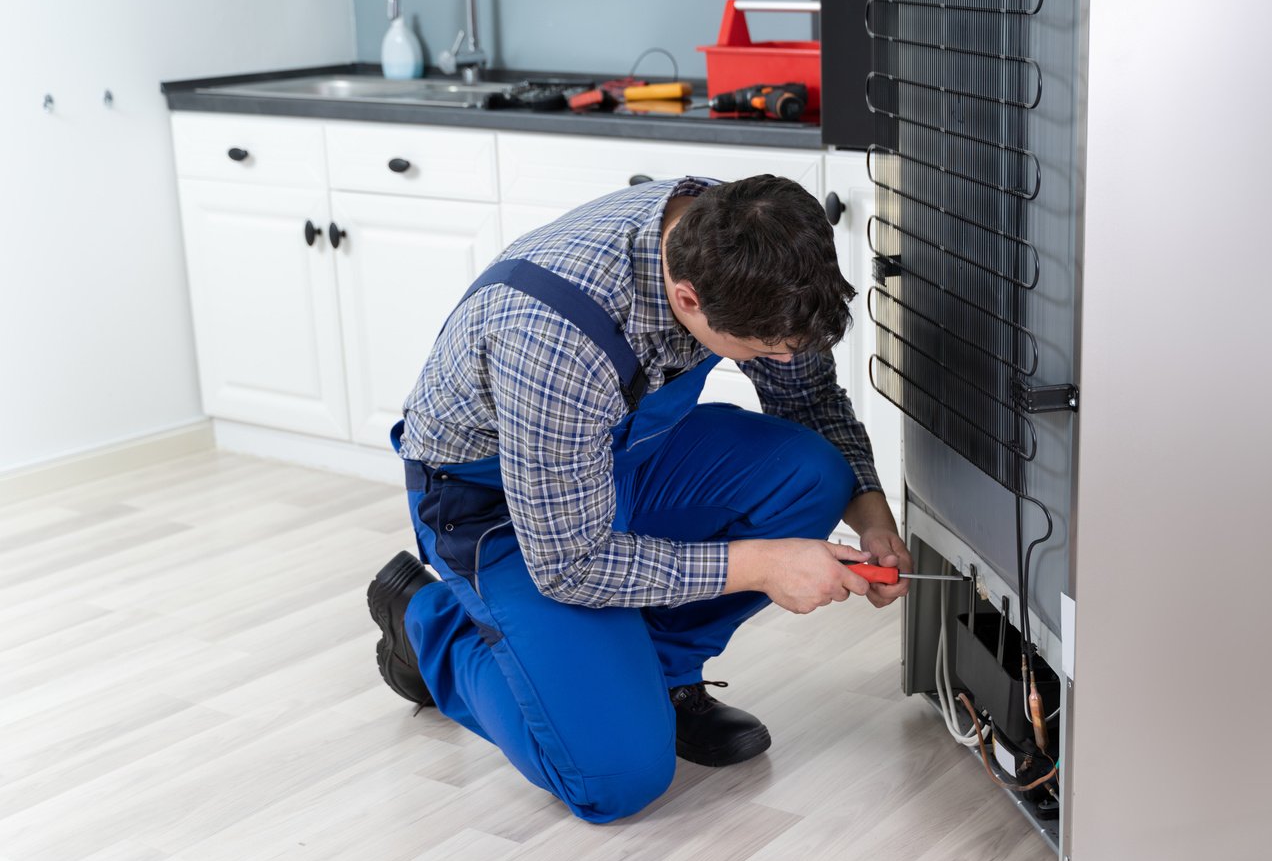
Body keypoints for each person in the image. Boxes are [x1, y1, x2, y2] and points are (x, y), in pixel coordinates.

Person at [365, 174, 911, 823]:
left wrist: (874, 516)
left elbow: (810, 399)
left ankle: (661, 681)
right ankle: (431, 629)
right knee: (618, 777)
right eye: (762, 351)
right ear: (688, 298)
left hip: (620, 457)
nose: (779, 359)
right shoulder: (555, 340)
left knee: (814, 474)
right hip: (499, 510)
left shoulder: (747, 240)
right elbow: (571, 563)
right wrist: (766, 565)